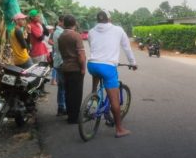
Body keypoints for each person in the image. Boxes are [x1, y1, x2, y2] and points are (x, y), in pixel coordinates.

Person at [87, 10, 137, 138]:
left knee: (97, 73)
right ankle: (119, 129)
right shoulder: (118, 30)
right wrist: (132, 62)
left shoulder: (91, 31)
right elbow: (126, 47)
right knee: (114, 100)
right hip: (108, 66)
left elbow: (93, 46)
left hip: (92, 64)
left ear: (98, 20)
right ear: (110, 19)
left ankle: (93, 97)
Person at [58, 15, 86, 124]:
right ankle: (74, 118)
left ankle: (70, 115)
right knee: (76, 94)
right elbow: (81, 54)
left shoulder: (61, 36)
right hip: (75, 68)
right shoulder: (76, 36)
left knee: (68, 93)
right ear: (75, 23)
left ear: (64, 24)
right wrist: (83, 68)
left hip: (65, 67)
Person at [52, 16, 67, 116]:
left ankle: (61, 107)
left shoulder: (56, 32)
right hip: (61, 62)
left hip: (57, 61)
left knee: (61, 87)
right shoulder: (61, 33)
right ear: (61, 22)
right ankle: (62, 107)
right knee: (63, 87)